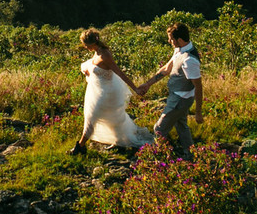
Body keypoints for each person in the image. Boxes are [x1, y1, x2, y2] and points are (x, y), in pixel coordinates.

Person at [70, 28, 152, 155]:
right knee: (112, 118)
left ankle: (80, 147)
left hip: (106, 94)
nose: (84, 47)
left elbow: (119, 73)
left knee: (92, 118)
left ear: (92, 43)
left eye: (85, 44)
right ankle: (118, 141)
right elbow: (93, 66)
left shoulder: (105, 55)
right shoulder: (97, 52)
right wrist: (87, 71)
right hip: (97, 91)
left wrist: (135, 88)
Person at [137, 22, 204, 158]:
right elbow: (167, 69)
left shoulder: (190, 60)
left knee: (159, 129)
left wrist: (198, 113)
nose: (169, 41)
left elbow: (198, 86)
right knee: (181, 126)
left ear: (179, 40)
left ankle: (162, 157)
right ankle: (190, 154)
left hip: (181, 99)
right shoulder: (179, 50)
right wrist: (148, 84)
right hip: (177, 96)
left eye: (171, 39)